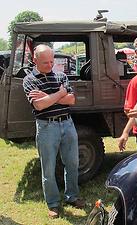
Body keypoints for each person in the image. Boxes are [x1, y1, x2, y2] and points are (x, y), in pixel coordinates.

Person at [22, 44, 85, 219]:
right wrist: (60, 94)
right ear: (34, 60)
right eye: (45, 63)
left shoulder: (61, 75)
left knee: (72, 163)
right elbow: (39, 105)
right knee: (48, 168)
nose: (50, 65)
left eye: (51, 61)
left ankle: (72, 196)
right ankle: (53, 203)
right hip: (46, 127)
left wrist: (48, 96)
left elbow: (71, 100)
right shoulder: (29, 80)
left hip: (67, 124)